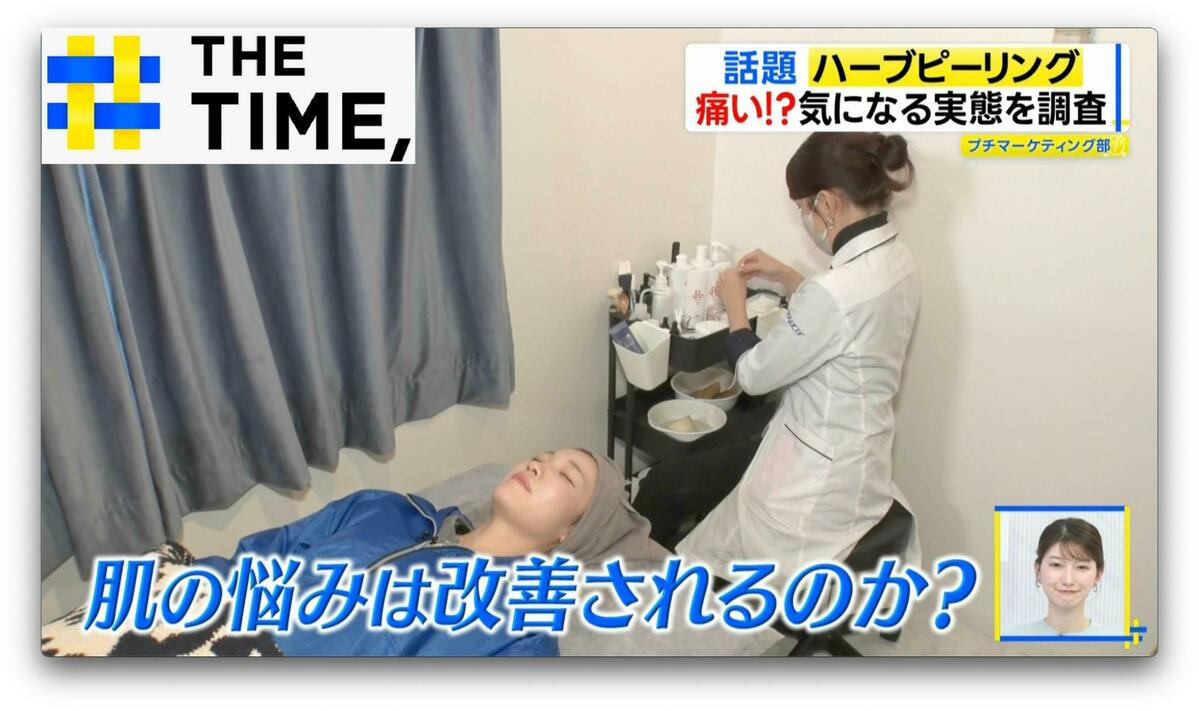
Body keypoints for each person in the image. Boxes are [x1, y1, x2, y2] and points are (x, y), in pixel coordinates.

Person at [42, 448, 656, 657]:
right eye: (544, 456)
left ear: (569, 536)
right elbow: (263, 552)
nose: (540, 463)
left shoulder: (520, 628)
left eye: (566, 475)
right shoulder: (387, 508)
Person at [636, 132, 922, 575]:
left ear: (827, 203)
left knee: (665, 483)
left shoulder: (836, 292)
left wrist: (735, 305)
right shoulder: (897, 259)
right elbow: (845, 320)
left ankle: (646, 585)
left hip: (814, 482)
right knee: (705, 468)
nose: (805, 218)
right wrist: (787, 276)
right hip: (859, 454)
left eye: (804, 208)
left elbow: (753, 375)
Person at [1009, 518, 1118, 637]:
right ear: (1038, 570)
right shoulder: (1008, 638)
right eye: (1056, 565)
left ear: (1098, 574)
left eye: (1081, 567)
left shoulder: (1119, 642)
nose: (1068, 580)